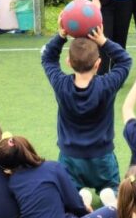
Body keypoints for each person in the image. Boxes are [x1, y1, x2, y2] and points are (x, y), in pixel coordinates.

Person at [41, 23, 131, 206]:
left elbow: (48, 58)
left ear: (68, 62)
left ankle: (80, 195)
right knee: (111, 183)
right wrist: (103, 41)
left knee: (70, 186)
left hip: (70, 156)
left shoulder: (61, 84)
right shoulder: (107, 84)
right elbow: (125, 60)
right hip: (102, 155)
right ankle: (109, 193)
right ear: (98, 64)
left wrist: (61, 36)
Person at [0, 134, 118, 218]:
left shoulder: (13, 181)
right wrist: (88, 214)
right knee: (112, 210)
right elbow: (74, 203)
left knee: (70, 212)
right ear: (29, 149)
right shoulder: (52, 167)